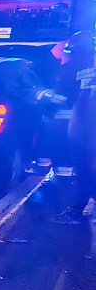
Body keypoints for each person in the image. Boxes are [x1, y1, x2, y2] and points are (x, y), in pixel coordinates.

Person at [57, 32, 96, 222]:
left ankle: (76, 209)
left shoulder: (72, 67)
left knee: (84, 169)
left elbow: (64, 95)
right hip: (84, 130)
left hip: (83, 131)